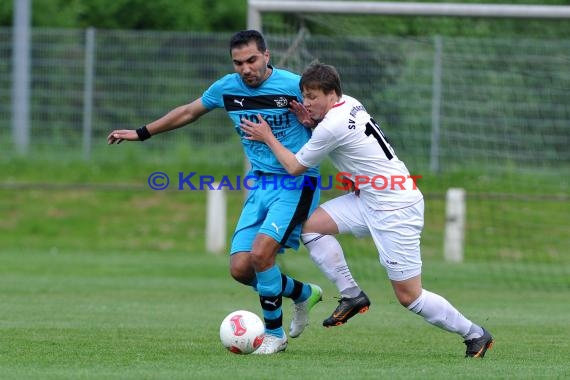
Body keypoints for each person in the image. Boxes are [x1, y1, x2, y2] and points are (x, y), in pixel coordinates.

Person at [240, 61, 495, 358]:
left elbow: (295, 166)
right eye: (304, 96)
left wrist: (267, 136)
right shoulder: (350, 104)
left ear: (332, 94)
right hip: (370, 198)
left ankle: (475, 334)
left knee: (409, 296)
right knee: (310, 227)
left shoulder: (331, 126)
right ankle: (352, 296)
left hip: (395, 207)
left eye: (312, 97)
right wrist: (311, 122)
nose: (306, 103)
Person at [107, 30, 325, 354]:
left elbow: (334, 123)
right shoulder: (227, 88)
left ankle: (274, 335)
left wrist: (314, 120)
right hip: (260, 183)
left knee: (262, 254)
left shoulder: (294, 85)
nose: (245, 68)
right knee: (240, 268)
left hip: (297, 182)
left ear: (267, 56)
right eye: (238, 63)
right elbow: (188, 111)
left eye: (251, 60)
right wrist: (142, 132)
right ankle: (303, 293)